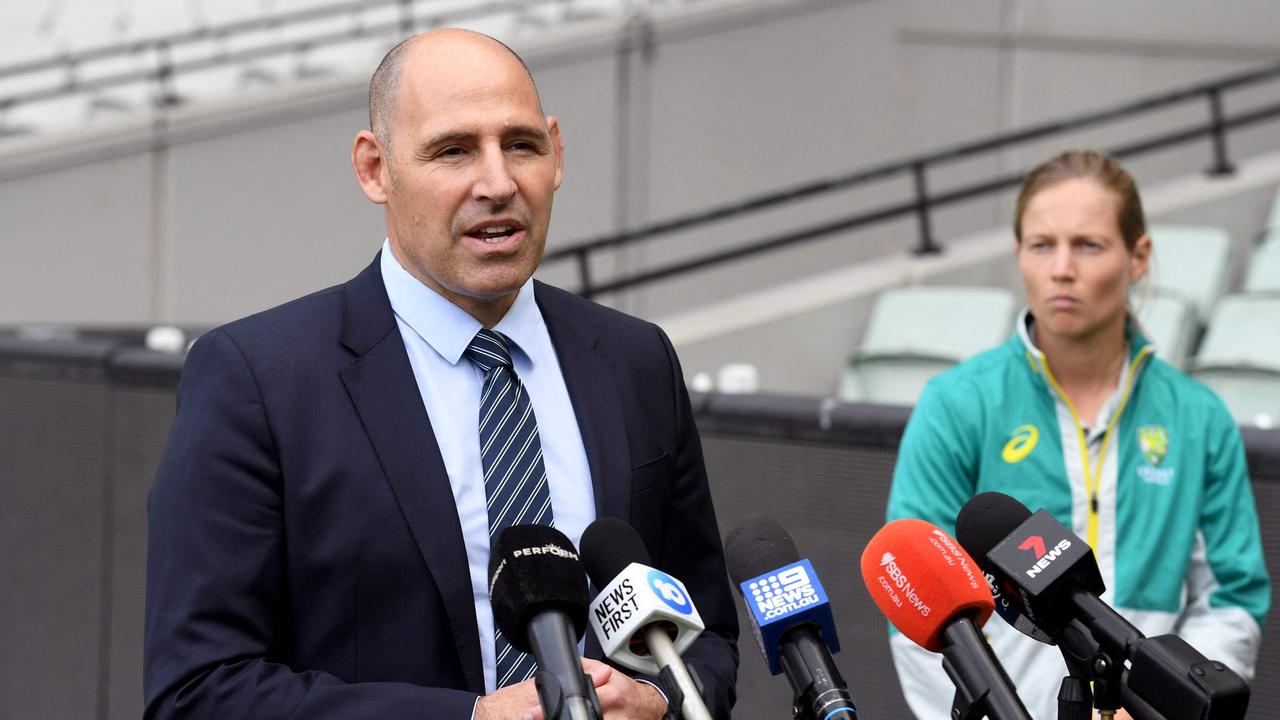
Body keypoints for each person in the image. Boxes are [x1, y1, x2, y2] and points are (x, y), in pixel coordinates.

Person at [144, 29, 738, 720]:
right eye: (453, 150)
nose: (498, 183)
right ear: (375, 169)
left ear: (557, 153)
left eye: (521, 145)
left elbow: (709, 639)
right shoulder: (257, 381)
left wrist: (660, 701)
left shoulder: (636, 361)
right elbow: (199, 692)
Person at [885, 149, 1270, 719]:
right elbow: (916, 601)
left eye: (1088, 245)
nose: (1062, 268)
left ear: (1138, 256)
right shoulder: (956, 404)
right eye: (1042, 245)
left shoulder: (1198, 417)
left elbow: (1232, 599)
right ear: (1019, 255)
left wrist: (1159, 709)